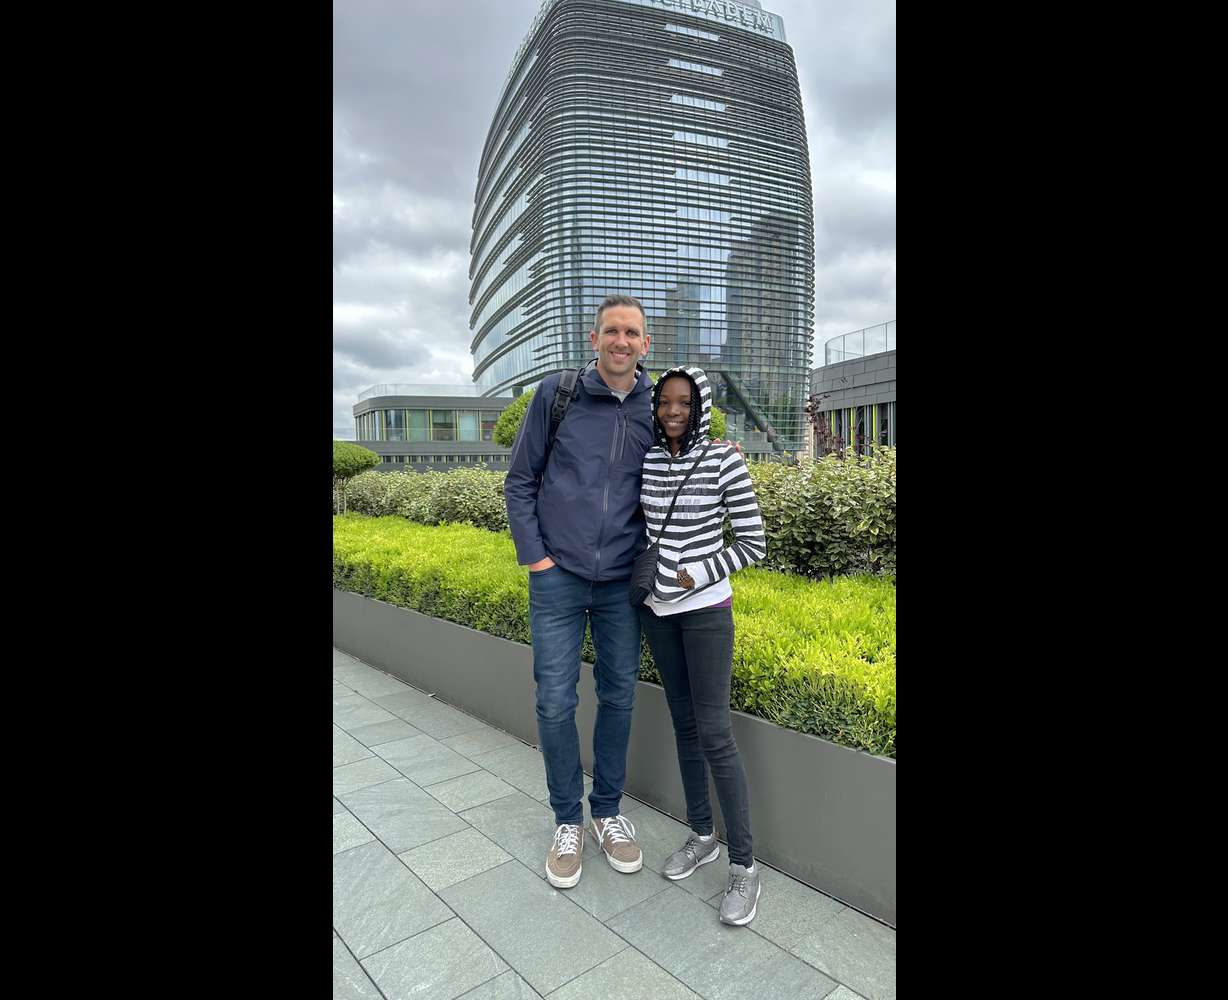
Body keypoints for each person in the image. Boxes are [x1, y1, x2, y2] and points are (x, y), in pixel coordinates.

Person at [503, 294, 657, 888]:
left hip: (623, 581)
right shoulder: (557, 394)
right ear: (595, 339)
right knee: (554, 701)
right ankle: (567, 819)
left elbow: (681, 476)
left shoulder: (659, 405)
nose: (621, 341)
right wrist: (537, 560)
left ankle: (608, 812)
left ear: (646, 344)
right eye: (612, 331)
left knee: (619, 695)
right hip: (559, 576)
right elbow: (521, 480)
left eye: (632, 333)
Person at [637, 364, 768, 926]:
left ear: (701, 406)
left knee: (715, 732)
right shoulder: (646, 459)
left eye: (684, 403)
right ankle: (701, 835)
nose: (673, 411)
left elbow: (754, 543)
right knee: (684, 725)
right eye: (665, 401)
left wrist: (699, 572)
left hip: (707, 610)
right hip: (657, 613)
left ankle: (744, 865)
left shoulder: (724, 459)